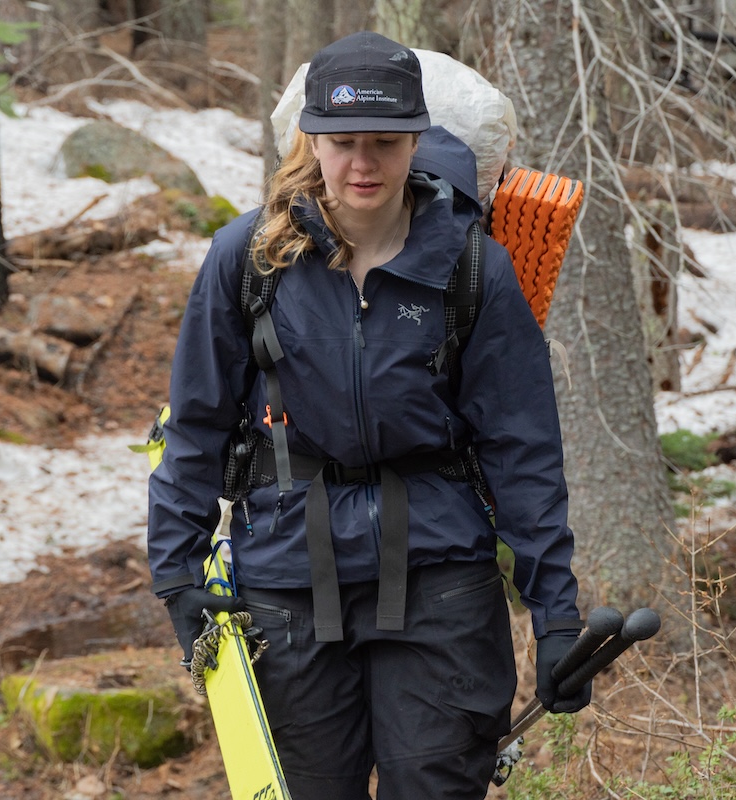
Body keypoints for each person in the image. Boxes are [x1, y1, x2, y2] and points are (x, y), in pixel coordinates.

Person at [146, 30, 592, 799]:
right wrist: (177, 575)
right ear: (309, 140)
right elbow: (195, 424)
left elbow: (523, 448)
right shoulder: (247, 259)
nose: (363, 164)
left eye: (384, 142)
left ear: (417, 138)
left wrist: (556, 615)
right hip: (286, 577)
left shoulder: (473, 263)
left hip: (440, 577)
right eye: (342, 141)